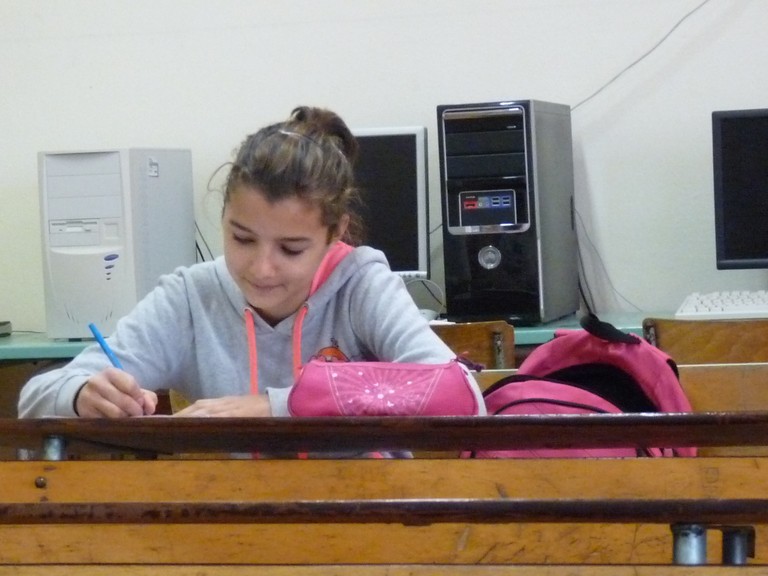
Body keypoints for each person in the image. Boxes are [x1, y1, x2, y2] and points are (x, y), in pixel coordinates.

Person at [18, 106, 485, 419]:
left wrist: (277, 405)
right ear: (223, 216)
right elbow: (35, 396)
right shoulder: (190, 296)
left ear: (335, 233)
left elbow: (459, 393)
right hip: (229, 515)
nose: (262, 269)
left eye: (291, 249)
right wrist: (81, 394)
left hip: (361, 512)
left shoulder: (360, 284)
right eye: (242, 238)